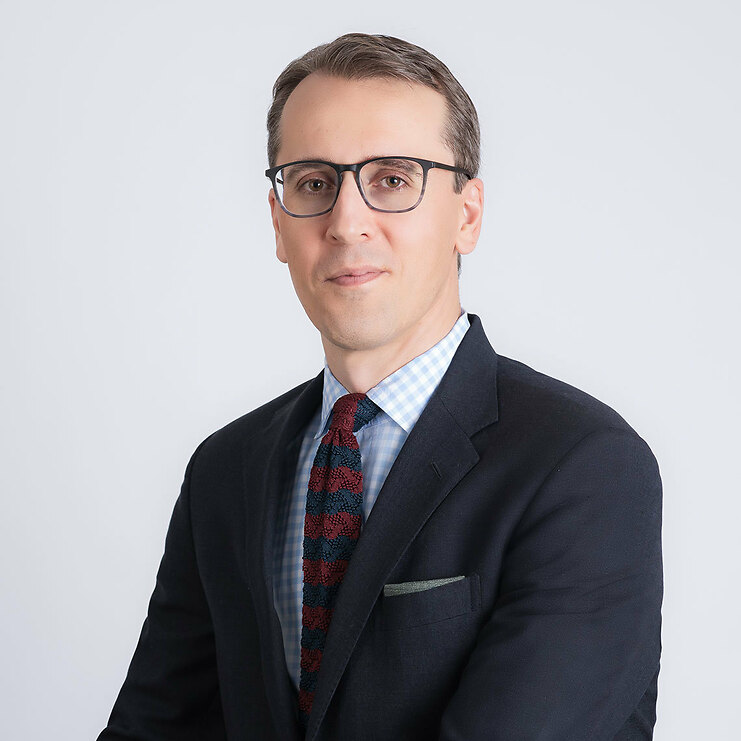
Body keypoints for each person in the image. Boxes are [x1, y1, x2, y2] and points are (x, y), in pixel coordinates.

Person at [98, 33, 663, 741]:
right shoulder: (225, 468)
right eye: (313, 183)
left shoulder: (583, 466)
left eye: (392, 179)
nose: (345, 223)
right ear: (277, 220)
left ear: (466, 215)